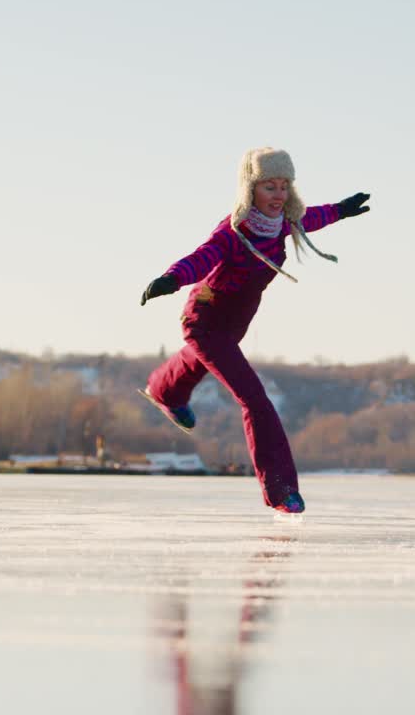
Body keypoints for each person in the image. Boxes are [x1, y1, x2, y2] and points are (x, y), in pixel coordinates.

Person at [139, 147, 371, 513]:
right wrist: (171, 278)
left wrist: (341, 210)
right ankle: (281, 490)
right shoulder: (234, 231)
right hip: (205, 319)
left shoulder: (285, 222)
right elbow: (202, 257)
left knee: (197, 361)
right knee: (256, 400)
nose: (278, 195)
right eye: (269, 187)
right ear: (251, 189)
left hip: (233, 324)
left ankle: (164, 390)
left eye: (284, 186)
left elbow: (312, 217)